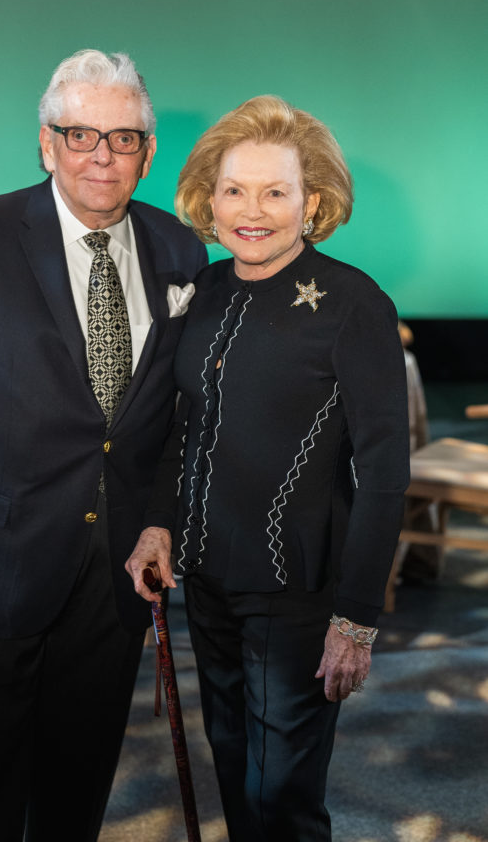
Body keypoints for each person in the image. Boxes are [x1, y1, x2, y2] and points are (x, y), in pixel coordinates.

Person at [0, 48, 207, 842]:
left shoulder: (180, 250)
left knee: (78, 780)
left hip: (116, 570)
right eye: (81, 134)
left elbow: (174, 418)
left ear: (148, 153)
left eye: (123, 138)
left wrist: (162, 521)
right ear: (46, 143)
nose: (103, 154)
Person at [127, 95, 410, 841]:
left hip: (300, 598)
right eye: (234, 190)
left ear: (310, 202)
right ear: (208, 200)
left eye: (275, 192)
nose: (252, 211)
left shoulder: (354, 304)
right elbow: (178, 428)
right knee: (235, 771)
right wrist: (158, 524)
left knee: (282, 795)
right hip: (207, 584)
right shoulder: (206, 293)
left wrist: (357, 620)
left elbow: (384, 473)